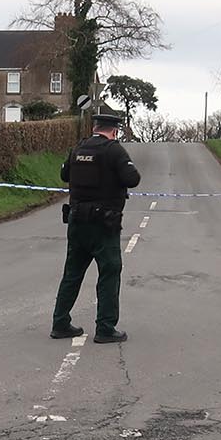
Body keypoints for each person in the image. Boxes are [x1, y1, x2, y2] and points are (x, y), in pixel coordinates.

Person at [50, 113, 141, 343]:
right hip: (103, 225)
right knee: (110, 272)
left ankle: (60, 323)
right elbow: (133, 178)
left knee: (72, 273)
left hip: (77, 221)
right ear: (114, 130)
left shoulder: (78, 148)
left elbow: (63, 174)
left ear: (94, 127)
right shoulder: (113, 150)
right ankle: (105, 328)